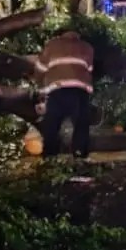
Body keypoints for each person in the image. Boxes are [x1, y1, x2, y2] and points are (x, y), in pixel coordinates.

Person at [35, 29, 95, 159]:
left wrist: (40, 87)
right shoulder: (86, 47)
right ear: (78, 35)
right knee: (81, 124)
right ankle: (80, 155)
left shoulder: (52, 45)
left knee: (52, 124)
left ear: (61, 34)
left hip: (57, 89)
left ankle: (50, 156)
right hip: (80, 90)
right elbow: (89, 69)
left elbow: (40, 68)